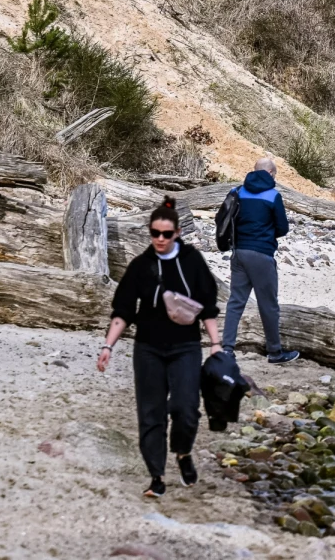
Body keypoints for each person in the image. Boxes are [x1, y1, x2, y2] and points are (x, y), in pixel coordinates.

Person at [97, 197, 221, 498]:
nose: (160, 239)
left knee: (186, 409)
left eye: (166, 234)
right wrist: (108, 346)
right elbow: (123, 310)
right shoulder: (141, 266)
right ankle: (157, 476)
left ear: (177, 233)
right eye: (155, 233)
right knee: (150, 414)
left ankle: (182, 452)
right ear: (150, 232)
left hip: (186, 347)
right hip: (148, 349)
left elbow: (208, 306)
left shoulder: (192, 261)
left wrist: (216, 345)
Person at [221, 158, 299, 363]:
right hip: (262, 254)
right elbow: (282, 228)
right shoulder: (273, 195)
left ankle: (227, 349)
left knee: (236, 302)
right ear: (272, 173)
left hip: (239, 252)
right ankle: (274, 352)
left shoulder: (237, 191)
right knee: (268, 305)